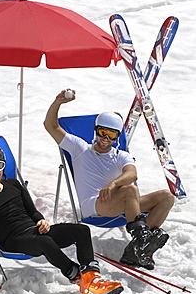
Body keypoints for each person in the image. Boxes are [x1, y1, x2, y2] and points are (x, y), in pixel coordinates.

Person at [0, 144, 124, 294]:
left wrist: (41, 220)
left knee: (81, 230)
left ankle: (91, 279)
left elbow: (32, 212)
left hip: (34, 231)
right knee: (45, 242)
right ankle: (77, 276)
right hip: (13, 240)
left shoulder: (14, 184)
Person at [44, 89, 175, 271]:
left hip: (120, 202)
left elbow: (132, 174)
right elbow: (50, 126)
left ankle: (135, 249)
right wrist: (57, 103)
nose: (105, 139)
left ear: (117, 137)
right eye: (102, 133)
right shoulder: (79, 148)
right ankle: (141, 238)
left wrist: (113, 184)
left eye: (111, 135)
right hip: (94, 206)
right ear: (96, 131)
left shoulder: (121, 156)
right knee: (130, 190)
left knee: (167, 197)